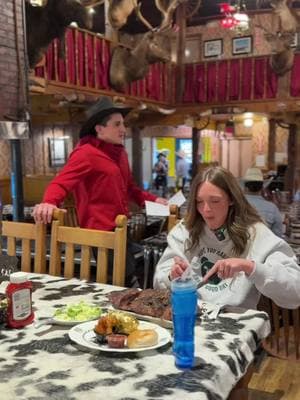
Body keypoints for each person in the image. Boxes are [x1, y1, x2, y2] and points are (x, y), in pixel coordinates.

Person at [33, 96, 168, 286]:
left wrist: (154, 200)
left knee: (135, 273)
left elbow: (130, 189)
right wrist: (49, 202)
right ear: (99, 128)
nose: (123, 129)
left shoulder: (119, 152)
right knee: (124, 281)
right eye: (117, 124)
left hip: (121, 226)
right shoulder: (85, 153)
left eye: (123, 124)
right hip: (100, 231)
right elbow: (60, 183)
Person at [154, 166, 300, 310]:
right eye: (199, 202)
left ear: (231, 199)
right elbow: (158, 282)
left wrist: (250, 267)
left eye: (215, 201)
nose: (206, 210)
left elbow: (295, 293)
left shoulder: (255, 233)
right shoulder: (186, 230)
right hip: (192, 313)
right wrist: (172, 275)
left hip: (235, 322)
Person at [243, 167, 283, 237]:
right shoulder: (272, 208)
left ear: (245, 187)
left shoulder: (235, 205)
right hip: (266, 246)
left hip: (240, 246)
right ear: (262, 188)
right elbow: (278, 236)